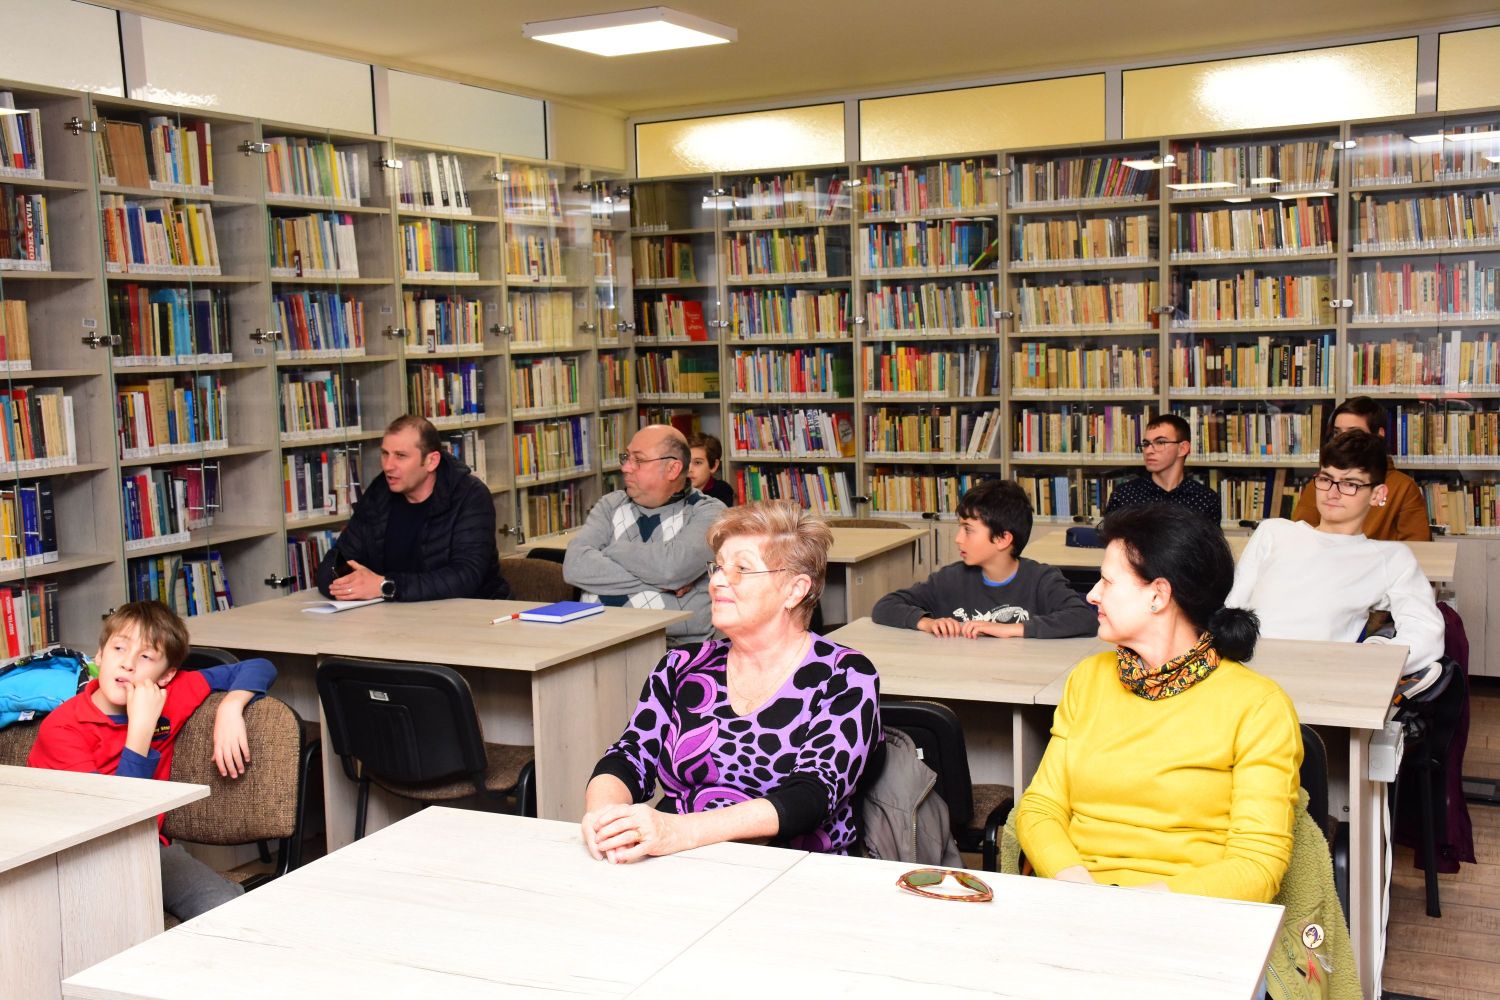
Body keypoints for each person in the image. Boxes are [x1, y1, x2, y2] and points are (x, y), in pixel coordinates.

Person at [1016, 505, 1301, 902]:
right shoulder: (1087, 679)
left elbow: (1257, 866)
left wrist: (1138, 906)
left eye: (1107, 581)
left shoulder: (1259, 707)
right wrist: (1076, 884)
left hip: (1188, 911)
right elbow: (1040, 808)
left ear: (1158, 595)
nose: (1093, 594)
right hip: (1079, 897)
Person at [580, 500, 880, 862]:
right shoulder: (681, 666)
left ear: (794, 590)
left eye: (742, 569)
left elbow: (811, 797)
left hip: (791, 868)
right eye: (719, 567)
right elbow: (629, 756)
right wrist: (605, 818)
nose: (717, 581)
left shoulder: (844, 675)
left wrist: (679, 831)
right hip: (677, 861)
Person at [28, 601, 278, 921]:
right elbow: (112, 820)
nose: (128, 664)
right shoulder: (63, 728)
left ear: (167, 675)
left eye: (146, 656)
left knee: (226, 909)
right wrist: (141, 730)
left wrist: (231, 707)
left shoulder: (174, 692)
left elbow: (259, 666)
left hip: (146, 848)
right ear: (100, 656)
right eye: (119, 648)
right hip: (71, 858)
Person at [1228, 429, 1446, 698]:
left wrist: (1372, 657)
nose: (1332, 493)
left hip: (1315, 684)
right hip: (1244, 675)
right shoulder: (1273, 531)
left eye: (1350, 483)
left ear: (1377, 494)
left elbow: (1427, 632)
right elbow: (1232, 606)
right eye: (1326, 479)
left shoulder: (1390, 558)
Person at [316, 414, 507, 602]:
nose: (388, 466)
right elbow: (336, 559)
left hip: (472, 613)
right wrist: (346, 586)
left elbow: (466, 576)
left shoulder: (469, 495)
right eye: (385, 454)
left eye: (400, 456)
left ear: (431, 461)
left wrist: (385, 586)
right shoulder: (378, 493)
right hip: (395, 614)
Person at [872, 479, 1095, 638]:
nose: (958, 539)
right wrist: (926, 622)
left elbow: (1084, 619)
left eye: (968, 530)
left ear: (1002, 539)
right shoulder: (950, 579)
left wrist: (1011, 629)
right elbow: (885, 606)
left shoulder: (1041, 580)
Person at [564, 424, 725, 644]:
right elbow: (574, 566)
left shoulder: (709, 512)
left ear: (672, 469)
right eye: (626, 457)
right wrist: (664, 582)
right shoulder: (610, 505)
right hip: (592, 641)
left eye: (638, 460)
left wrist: (613, 550)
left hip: (672, 650)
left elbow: (671, 569)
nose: (625, 468)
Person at [1290, 395, 1431, 541]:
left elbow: (1417, 546)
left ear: (1379, 435)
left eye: (1354, 433)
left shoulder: (1404, 487)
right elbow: (1300, 537)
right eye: (1337, 433)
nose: (1343, 439)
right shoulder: (1320, 484)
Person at [1104, 413, 1221, 524]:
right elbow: (1109, 536)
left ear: (1183, 448)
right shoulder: (1124, 495)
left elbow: (1210, 539)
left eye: (1160, 442)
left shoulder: (1205, 499)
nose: (1148, 451)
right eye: (1146, 444)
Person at [688, 432, 736, 507]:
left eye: (697, 462)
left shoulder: (722, 490)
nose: (689, 469)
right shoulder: (675, 489)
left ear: (714, 466)